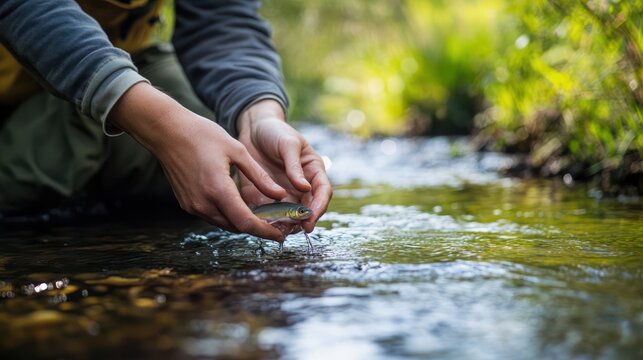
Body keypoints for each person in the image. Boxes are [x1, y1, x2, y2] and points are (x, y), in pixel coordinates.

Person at [0, 0, 332, 241]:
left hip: (118, 67)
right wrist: (163, 128)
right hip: (25, 84)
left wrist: (258, 114)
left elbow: (221, 19)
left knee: (224, 163)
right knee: (29, 187)